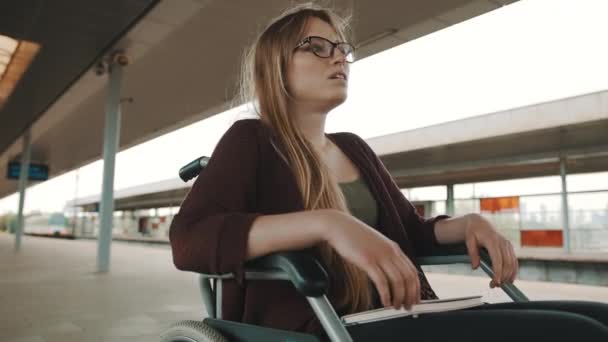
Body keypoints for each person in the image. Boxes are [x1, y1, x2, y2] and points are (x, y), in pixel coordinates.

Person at [169, 3, 608, 341]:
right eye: (317, 47)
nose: (337, 57)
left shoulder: (353, 148)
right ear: (276, 65)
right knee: (579, 334)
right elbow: (189, 239)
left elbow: (412, 234)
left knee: (597, 318)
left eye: (342, 49)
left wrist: (468, 223)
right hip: (322, 326)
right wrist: (328, 223)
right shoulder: (252, 140)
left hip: (400, 310)